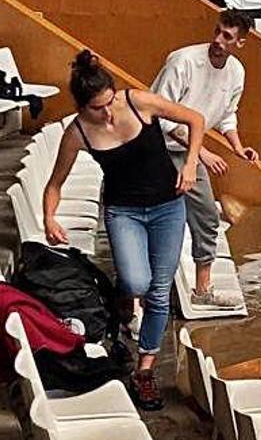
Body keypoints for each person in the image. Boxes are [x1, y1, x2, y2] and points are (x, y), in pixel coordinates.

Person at [44, 50, 205, 410]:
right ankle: (121, 300)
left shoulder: (136, 101)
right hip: (124, 211)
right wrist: (49, 218)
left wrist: (191, 163)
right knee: (135, 283)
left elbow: (195, 119)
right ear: (82, 107)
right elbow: (55, 183)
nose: (106, 113)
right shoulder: (77, 132)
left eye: (108, 103)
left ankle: (145, 370)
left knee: (159, 291)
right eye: (96, 108)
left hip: (167, 205)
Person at [150, 9, 258, 306]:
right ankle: (141, 298)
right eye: (217, 31)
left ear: (240, 43)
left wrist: (237, 146)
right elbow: (161, 119)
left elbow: (227, 115)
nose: (218, 40)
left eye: (227, 36)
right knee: (156, 218)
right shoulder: (182, 61)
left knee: (207, 217)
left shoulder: (236, 71)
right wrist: (203, 153)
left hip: (190, 152)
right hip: (155, 148)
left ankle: (202, 291)